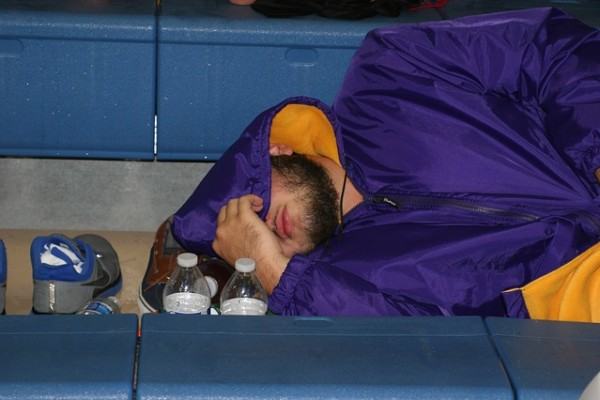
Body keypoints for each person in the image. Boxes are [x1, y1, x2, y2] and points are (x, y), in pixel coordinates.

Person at [166, 7, 600, 318]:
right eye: (253, 238)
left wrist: (595, 148)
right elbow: (414, 349)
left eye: (251, 201)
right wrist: (273, 273)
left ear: (276, 151)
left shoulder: (392, 72)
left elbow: (549, 47)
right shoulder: (348, 281)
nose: (263, 226)